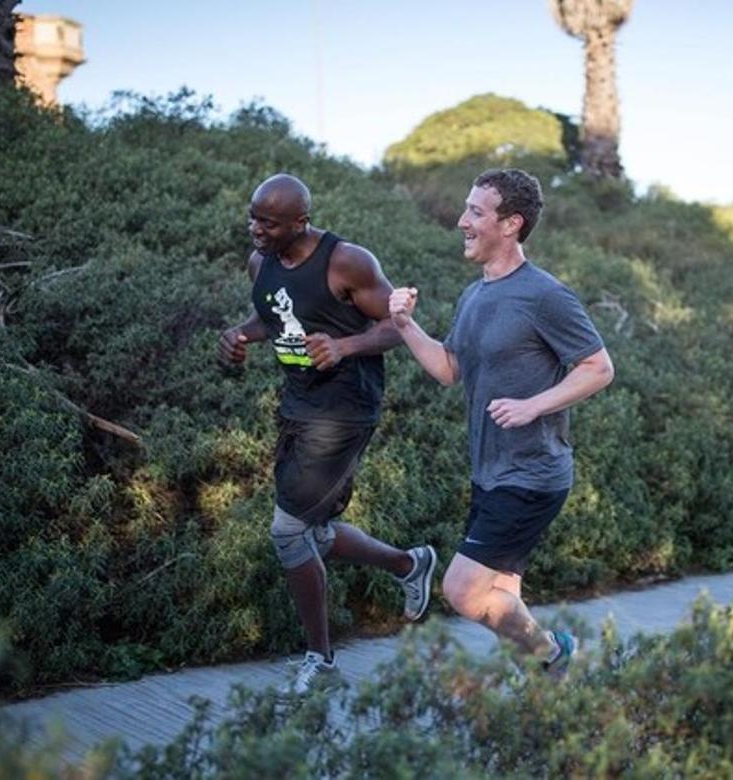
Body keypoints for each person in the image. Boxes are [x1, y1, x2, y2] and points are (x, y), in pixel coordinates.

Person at [388, 168, 614, 673]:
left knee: (463, 591)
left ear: (511, 224)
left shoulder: (545, 295)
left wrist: (535, 405)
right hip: (490, 470)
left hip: (532, 473)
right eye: (465, 209)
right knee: (502, 592)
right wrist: (404, 325)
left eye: (475, 212)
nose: (461, 221)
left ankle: (556, 654)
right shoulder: (474, 295)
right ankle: (544, 682)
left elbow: (598, 368)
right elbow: (449, 368)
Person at [218, 173, 436, 696]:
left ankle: (321, 663)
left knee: (288, 532)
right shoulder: (261, 261)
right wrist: (241, 335)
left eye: (269, 223)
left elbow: (398, 325)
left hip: (344, 410)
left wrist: (344, 347)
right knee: (312, 533)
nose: (257, 230)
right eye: (253, 218)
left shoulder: (347, 262)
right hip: (298, 403)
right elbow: (275, 316)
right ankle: (410, 564)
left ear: (301, 221)